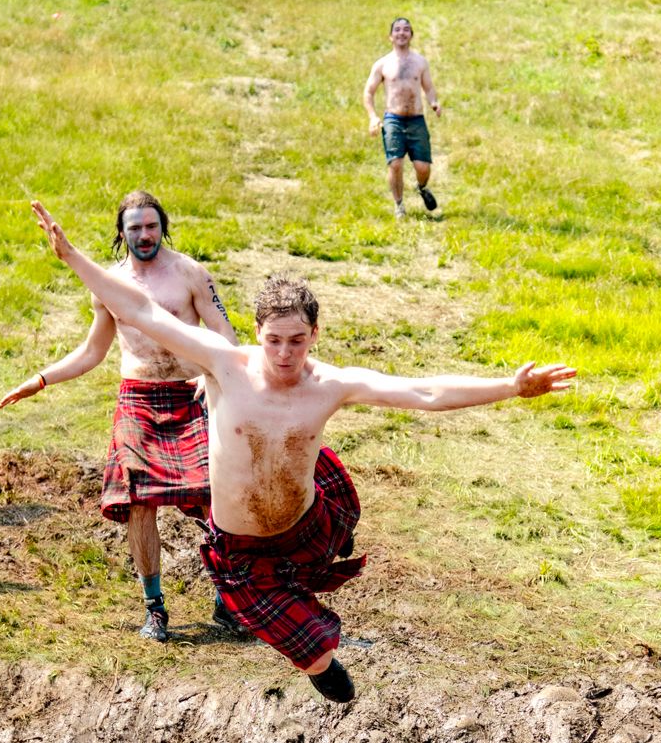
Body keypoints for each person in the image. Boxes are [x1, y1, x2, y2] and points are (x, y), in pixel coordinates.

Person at [29, 204, 575, 702]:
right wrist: (72, 255)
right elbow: (141, 309)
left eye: (297, 340)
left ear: (313, 335)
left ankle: (329, 557)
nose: (285, 353)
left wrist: (510, 386)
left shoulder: (330, 383)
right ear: (258, 335)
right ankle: (318, 662)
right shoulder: (223, 364)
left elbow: (423, 392)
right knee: (315, 654)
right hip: (242, 548)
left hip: (304, 522)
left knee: (329, 487)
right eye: (274, 341)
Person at [0, 192, 237, 644]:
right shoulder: (109, 285)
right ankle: (155, 608)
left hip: (190, 395)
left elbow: (224, 332)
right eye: (135, 229)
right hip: (138, 398)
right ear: (122, 233)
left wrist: (212, 372)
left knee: (215, 496)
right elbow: (93, 352)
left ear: (162, 226)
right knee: (140, 502)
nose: (144, 236)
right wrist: (41, 380)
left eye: (151, 226)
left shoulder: (190, 273)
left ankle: (228, 599)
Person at [364, 17, 442, 221]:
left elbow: (429, 88)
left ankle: (422, 187)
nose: (402, 33)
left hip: (417, 120)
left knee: (423, 167)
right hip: (393, 120)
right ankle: (399, 205)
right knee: (395, 163)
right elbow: (368, 92)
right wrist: (373, 117)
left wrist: (434, 102)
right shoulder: (382, 64)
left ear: (411, 35)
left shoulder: (420, 62)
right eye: (397, 30)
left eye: (406, 30)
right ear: (390, 36)